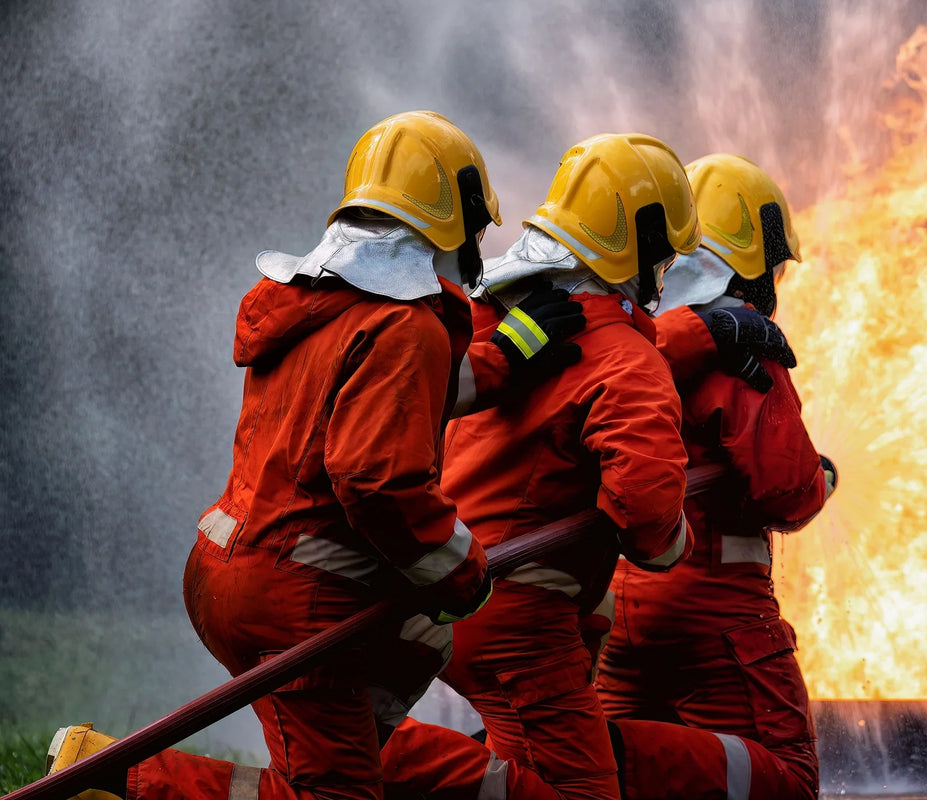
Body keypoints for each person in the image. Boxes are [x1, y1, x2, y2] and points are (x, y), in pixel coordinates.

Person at [45, 110, 585, 800]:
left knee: (392, 678)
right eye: (475, 231)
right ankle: (123, 783)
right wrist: (461, 570)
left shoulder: (321, 304)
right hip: (297, 594)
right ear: (449, 223)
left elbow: (394, 398)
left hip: (228, 568)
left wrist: (510, 353)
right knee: (337, 792)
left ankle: (110, 775)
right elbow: (375, 476)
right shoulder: (407, 325)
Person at [412, 133, 699, 800]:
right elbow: (651, 529)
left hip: (449, 591)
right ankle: (364, 764)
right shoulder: (628, 361)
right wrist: (680, 530)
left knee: (520, 781)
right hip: (517, 622)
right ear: (644, 243)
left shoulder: (503, 318)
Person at [598, 154, 838, 800]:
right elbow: (784, 491)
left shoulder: (630, 332)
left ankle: (594, 750)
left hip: (621, 607)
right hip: (715, 614)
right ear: (752, 261)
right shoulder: (741, 344)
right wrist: (824, 481)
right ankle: (606, 752)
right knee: (784, 776)